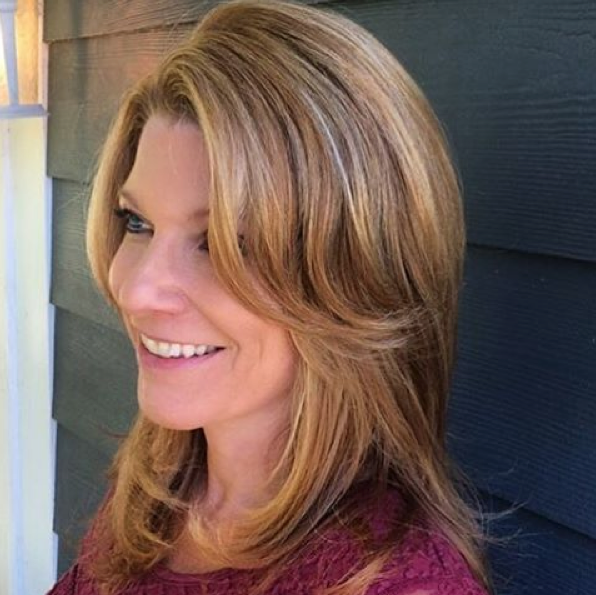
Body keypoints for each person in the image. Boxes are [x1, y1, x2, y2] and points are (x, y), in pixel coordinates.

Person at [47, 1, 495, 593]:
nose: (135, 290)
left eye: (222, 242)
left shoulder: (395, 584)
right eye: (137, 222)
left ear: (355, 278)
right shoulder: (157, 488)